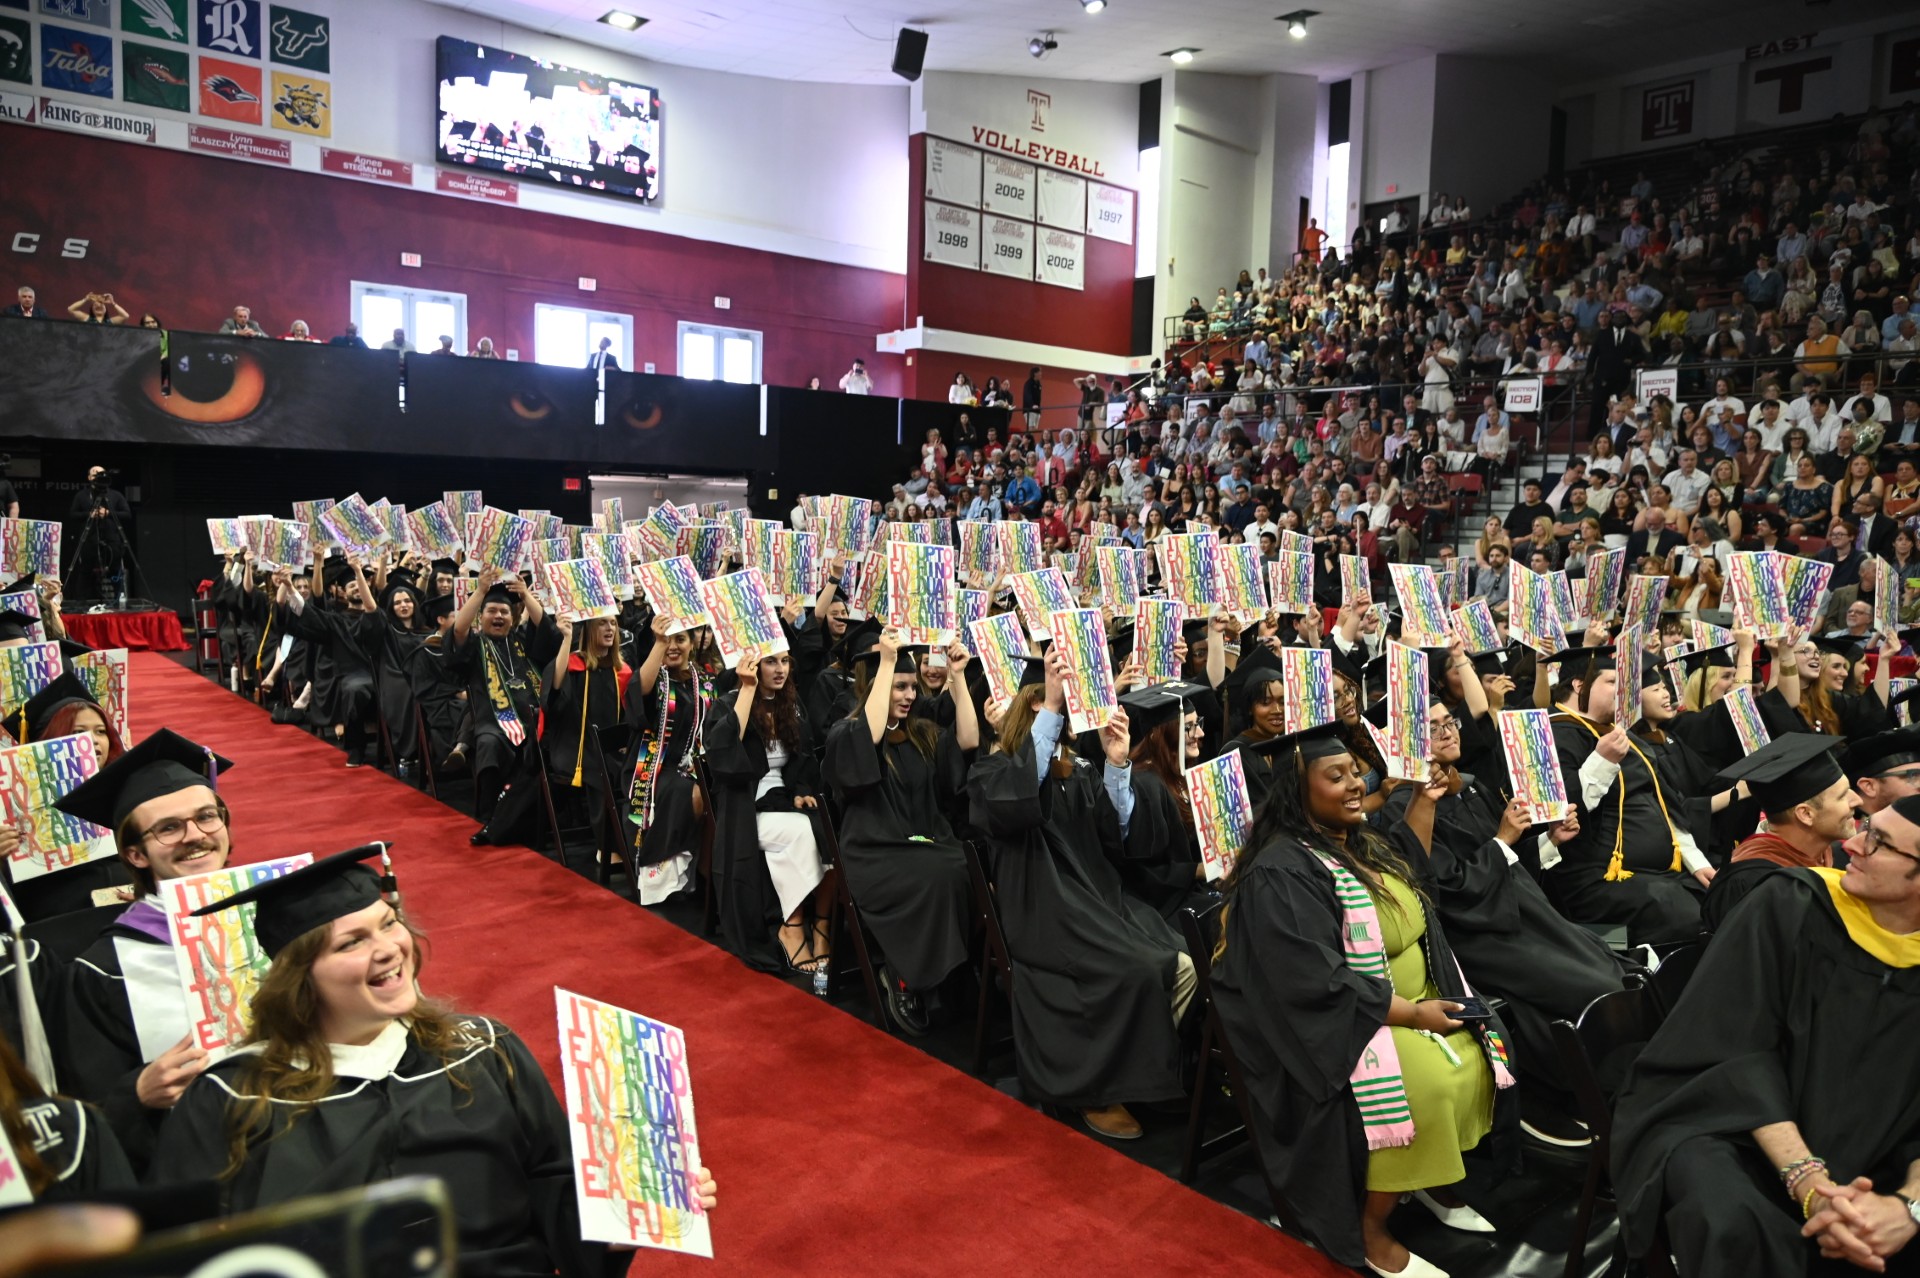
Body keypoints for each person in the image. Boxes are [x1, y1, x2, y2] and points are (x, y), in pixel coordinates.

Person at [151, 844, 718, 1275]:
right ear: (299, 980)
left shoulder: (483, 1050)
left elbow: (551, 1185)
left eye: (388, 922)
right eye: (351, 943)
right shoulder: (233, 1098)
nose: (389, 948)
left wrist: (620, 1219)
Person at [1209, 723, 1514, 1276]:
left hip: (1406, 1002)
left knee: (1484, 1043)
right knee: (1425, 1081)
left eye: (1355, 771)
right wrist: (1413, 1014)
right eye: (1336, 776)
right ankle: (1369, 1228)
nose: (1355, 784)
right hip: (1340, 1025)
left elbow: (1419, 891)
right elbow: (1313, 983)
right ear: (1297, 792)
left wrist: (1423, 797)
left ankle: (1425, 1177)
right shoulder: (1280, 872)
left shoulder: (1359, 840)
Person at [1610, 799, 1920, 1278]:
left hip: (1888, 1160)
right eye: (1866, 827)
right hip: (1742, 1132)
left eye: (1878, 842)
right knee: (1726, 1213)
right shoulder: (1793, 903)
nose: (1851, 843)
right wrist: (1810, 1184)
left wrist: (1906, 1208)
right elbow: (1732, 1050)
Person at [1383, 697, 1630, 1143]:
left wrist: (1550, 840)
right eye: (1433, 727)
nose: (1448, 731)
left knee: (1613, 966)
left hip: (1524, 916)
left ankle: (1593, 1093)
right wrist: (1503, 839)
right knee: (1594, 987)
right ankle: (1570, 1094)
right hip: (1476, 936)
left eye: (1450, 722)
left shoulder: (1469, 787)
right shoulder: (1405, 808)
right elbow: (1447, 891)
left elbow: (1512, 870)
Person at [967, 659, 1191, 1141]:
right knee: (1135, 969)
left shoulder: (1081, 767)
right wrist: (1051, 702)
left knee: (1185, 963)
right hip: (1047, 909)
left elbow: (1117, 838)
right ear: (1036, 706)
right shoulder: (993, 771)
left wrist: (1116, 764)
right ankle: (1100, 1087)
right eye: (1056, 706)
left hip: (1101, 901)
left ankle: (1136, 1067)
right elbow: (1022, 800)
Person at [50, 730, 235, 1173]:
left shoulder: (284, 915)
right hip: (202, 1171)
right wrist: (138, 1093)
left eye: (207, 817)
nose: (195, 835)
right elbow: (87, 1105)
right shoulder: (104, 970)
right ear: (135, 855)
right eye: (169, 828)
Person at [820, 628, 975, 1035]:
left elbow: (970, 739)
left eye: (912, 686)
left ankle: (954, 974)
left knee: (969, 864)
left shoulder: (923, 734)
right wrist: (887, 661)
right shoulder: (847, 733)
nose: (909, 695)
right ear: (878, 687)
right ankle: (905, 972)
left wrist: (957, 676)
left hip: (922, 843)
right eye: (899, 687)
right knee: (939, 876)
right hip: (874, 853)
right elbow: (867, 738)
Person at [1544, 646, 1711, 946]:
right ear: (1579, 685)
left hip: (1657, 873)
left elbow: (1663, 801)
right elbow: (1559, 814)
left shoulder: (1623, 734)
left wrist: (1695, 860)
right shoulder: (1551, 734)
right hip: (1593, 880)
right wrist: (1603, 760)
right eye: (1611, 682)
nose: (1622, 691)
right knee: (1682, 914)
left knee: (1722, 898)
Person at [703, 648, 834, 974]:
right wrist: (747, 689)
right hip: (746, 810)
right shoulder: (727, 703)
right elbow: (721, 754)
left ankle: (822, 926)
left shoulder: (791, 704)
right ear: (753, 665)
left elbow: (804, 761)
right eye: (771, 662)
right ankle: (792, 926)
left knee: (833, 828)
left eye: (785, 661)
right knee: (801, 832)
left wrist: (802, 791)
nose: (780, 669)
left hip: (783, 802)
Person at [0, 674, 132, 922]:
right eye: (78, 732)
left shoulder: (129, 787)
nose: (92, 741)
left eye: (101, 731)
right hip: (57, 918)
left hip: (128, 907)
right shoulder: (12, 801)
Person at [446, 569, 563, 840]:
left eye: (505, 612)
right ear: (481, 616)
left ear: (512, 617)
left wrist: (524, 594)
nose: (499, 616)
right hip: (493, 722)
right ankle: (489, 815)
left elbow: (547, 631)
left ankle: (512, 818)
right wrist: (480, 592)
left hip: (533, 720)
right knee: (488, 742)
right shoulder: (475, 646)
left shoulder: (523, 641)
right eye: (492, 611)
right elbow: (459, 630)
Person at [1701, 734, 1860, 931]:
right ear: (1805, 814)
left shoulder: (1835, 857)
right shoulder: (1751, 884)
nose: (1857, 801)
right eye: (1843, 796)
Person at [622, 615, 714, 903]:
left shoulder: (705, 682)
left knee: (721, 789)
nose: (673, 646)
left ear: (691, 644)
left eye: (680, 639)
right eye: (667, 640)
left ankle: (707, 868)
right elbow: (639, 692)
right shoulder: (656, 677)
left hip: (691, 764)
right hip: (652, 767)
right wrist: (659, 643)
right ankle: (671, 872)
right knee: (694, 793)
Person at [65, 466, 132, 603]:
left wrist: (108, 513)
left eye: (101, 473)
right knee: (86, 572)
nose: (98, 475)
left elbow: (127, 514)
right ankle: (81, 603)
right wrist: (89, 514)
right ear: (89, 478)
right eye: (94, 473)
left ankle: (118, 600)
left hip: (112, 539)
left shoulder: (115, 495)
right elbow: (72, 515)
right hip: (90, 539)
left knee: (115, 570)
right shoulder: (82, 495)